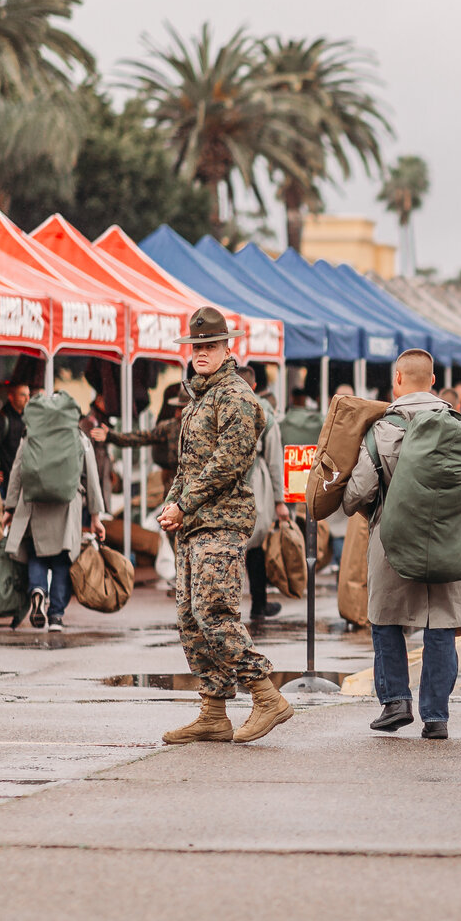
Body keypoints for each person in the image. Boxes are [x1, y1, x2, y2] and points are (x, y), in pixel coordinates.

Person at [155, 308, 290, 745]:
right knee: (191, 620)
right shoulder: (199, 398)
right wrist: (173, 502)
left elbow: (226, 465)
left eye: (210, 346)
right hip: (195, 523)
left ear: (228, 348)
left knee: (215, 613)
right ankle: (213, 711)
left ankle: (265, 693)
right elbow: (188, 465)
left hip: (223, 521)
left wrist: (185, 503)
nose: (201, 353)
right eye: (196, 346)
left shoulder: (235, 397)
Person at [344, 349, 461, 739]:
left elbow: (357, 492)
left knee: (386, 617)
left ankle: (395, 700)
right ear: (432, 381)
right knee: (441, 626)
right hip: (449, 539)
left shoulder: (381, 430)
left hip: (392, 539)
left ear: (397, 379)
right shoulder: (460, 426)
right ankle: (436, 716)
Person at [1, 395, 108, 633]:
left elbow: (17, 471)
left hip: (35, 503)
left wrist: (9, 508)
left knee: (37, 554)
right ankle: (56, 615)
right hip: (68, 505)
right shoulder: (78, 436)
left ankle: (38, 590)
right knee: (63, 559)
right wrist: (95, 517)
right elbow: (92, 476)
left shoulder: (30, 436)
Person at [0, 380, 30, 490]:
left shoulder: (29, 418)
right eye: (22, 395)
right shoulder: (1, 419)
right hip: (4, 479)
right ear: (11, 397)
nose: (27, 399)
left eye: (28, 395)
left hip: (22, 479)